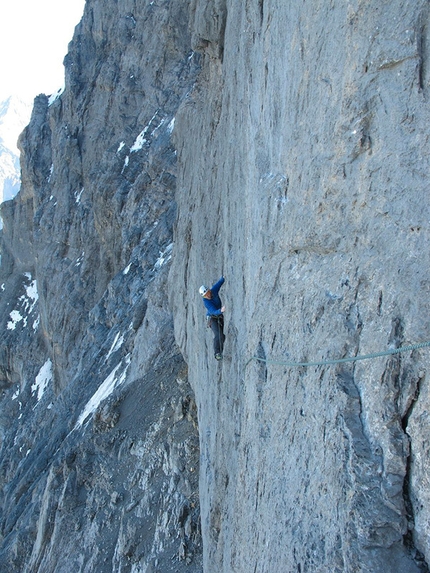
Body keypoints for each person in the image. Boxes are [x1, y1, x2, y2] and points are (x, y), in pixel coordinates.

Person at [199, 276, 225, 360]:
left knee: (222, 336)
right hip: (212, 318)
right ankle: (217, 353)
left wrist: (223, 278)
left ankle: (221, 351)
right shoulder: (206, 302)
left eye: (208, 293)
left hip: (219, 317)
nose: (208, 295)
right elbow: (213, 311)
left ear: (209, 290)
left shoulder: (213, 291)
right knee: (218, 335)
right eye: (206, 295)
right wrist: (220, 310)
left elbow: (219, 283)